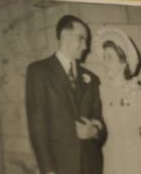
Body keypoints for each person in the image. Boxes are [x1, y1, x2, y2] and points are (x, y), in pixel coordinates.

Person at [25, 14, 105, 174]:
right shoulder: (39, 71)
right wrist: (48, 170)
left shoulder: (92, 79)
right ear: (65, 35)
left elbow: (100, 122)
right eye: (81, 39)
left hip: (91, 166)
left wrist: (95, 131)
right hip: (60, 167)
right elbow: (37, 126)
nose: (85, 47)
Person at [97, 29, 141, 174]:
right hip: (111, 159)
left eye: (109, 58)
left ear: (123, 63)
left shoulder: (138, 95)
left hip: (136, 160)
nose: (105, 62)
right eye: (104, 57)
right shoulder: (101, 95)